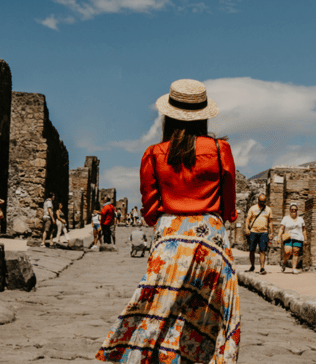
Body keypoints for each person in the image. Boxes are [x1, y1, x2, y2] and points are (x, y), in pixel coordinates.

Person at [97, 79, 240, 364]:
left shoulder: (154, 155)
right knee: (208, 321)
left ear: (168, 115)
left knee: (159, 317)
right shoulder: (220, 150)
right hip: (211, 243)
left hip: (169, 244)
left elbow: (150, 212)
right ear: (203, 115)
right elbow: (229, 207)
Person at [244, 194, 272, 274]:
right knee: (252, 250)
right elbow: (248, 219)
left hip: (264, 232)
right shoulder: (253, 208)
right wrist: (246, 228)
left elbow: (270, 222)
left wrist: (271, 232)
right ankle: (252, 266)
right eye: (260, 201)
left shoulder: (268, 209)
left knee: (262, 250)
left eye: (263, 201)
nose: (262, 203)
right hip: (253, 231)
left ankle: (262, 268)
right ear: (258, 200)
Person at [277, 203, 307, 274]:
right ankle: (284, 262)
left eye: (295, 210)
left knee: (296, 252)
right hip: (288, 237)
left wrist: (305, 239)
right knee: (288, 252)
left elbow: (304, 230)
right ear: (290, 210)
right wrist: (278, 237)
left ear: (297, 210)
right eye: (292, 209)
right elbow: (281, 228)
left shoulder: (300, 219)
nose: (294, 211)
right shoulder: (285, 218)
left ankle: (294, 269)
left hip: (298, 237)